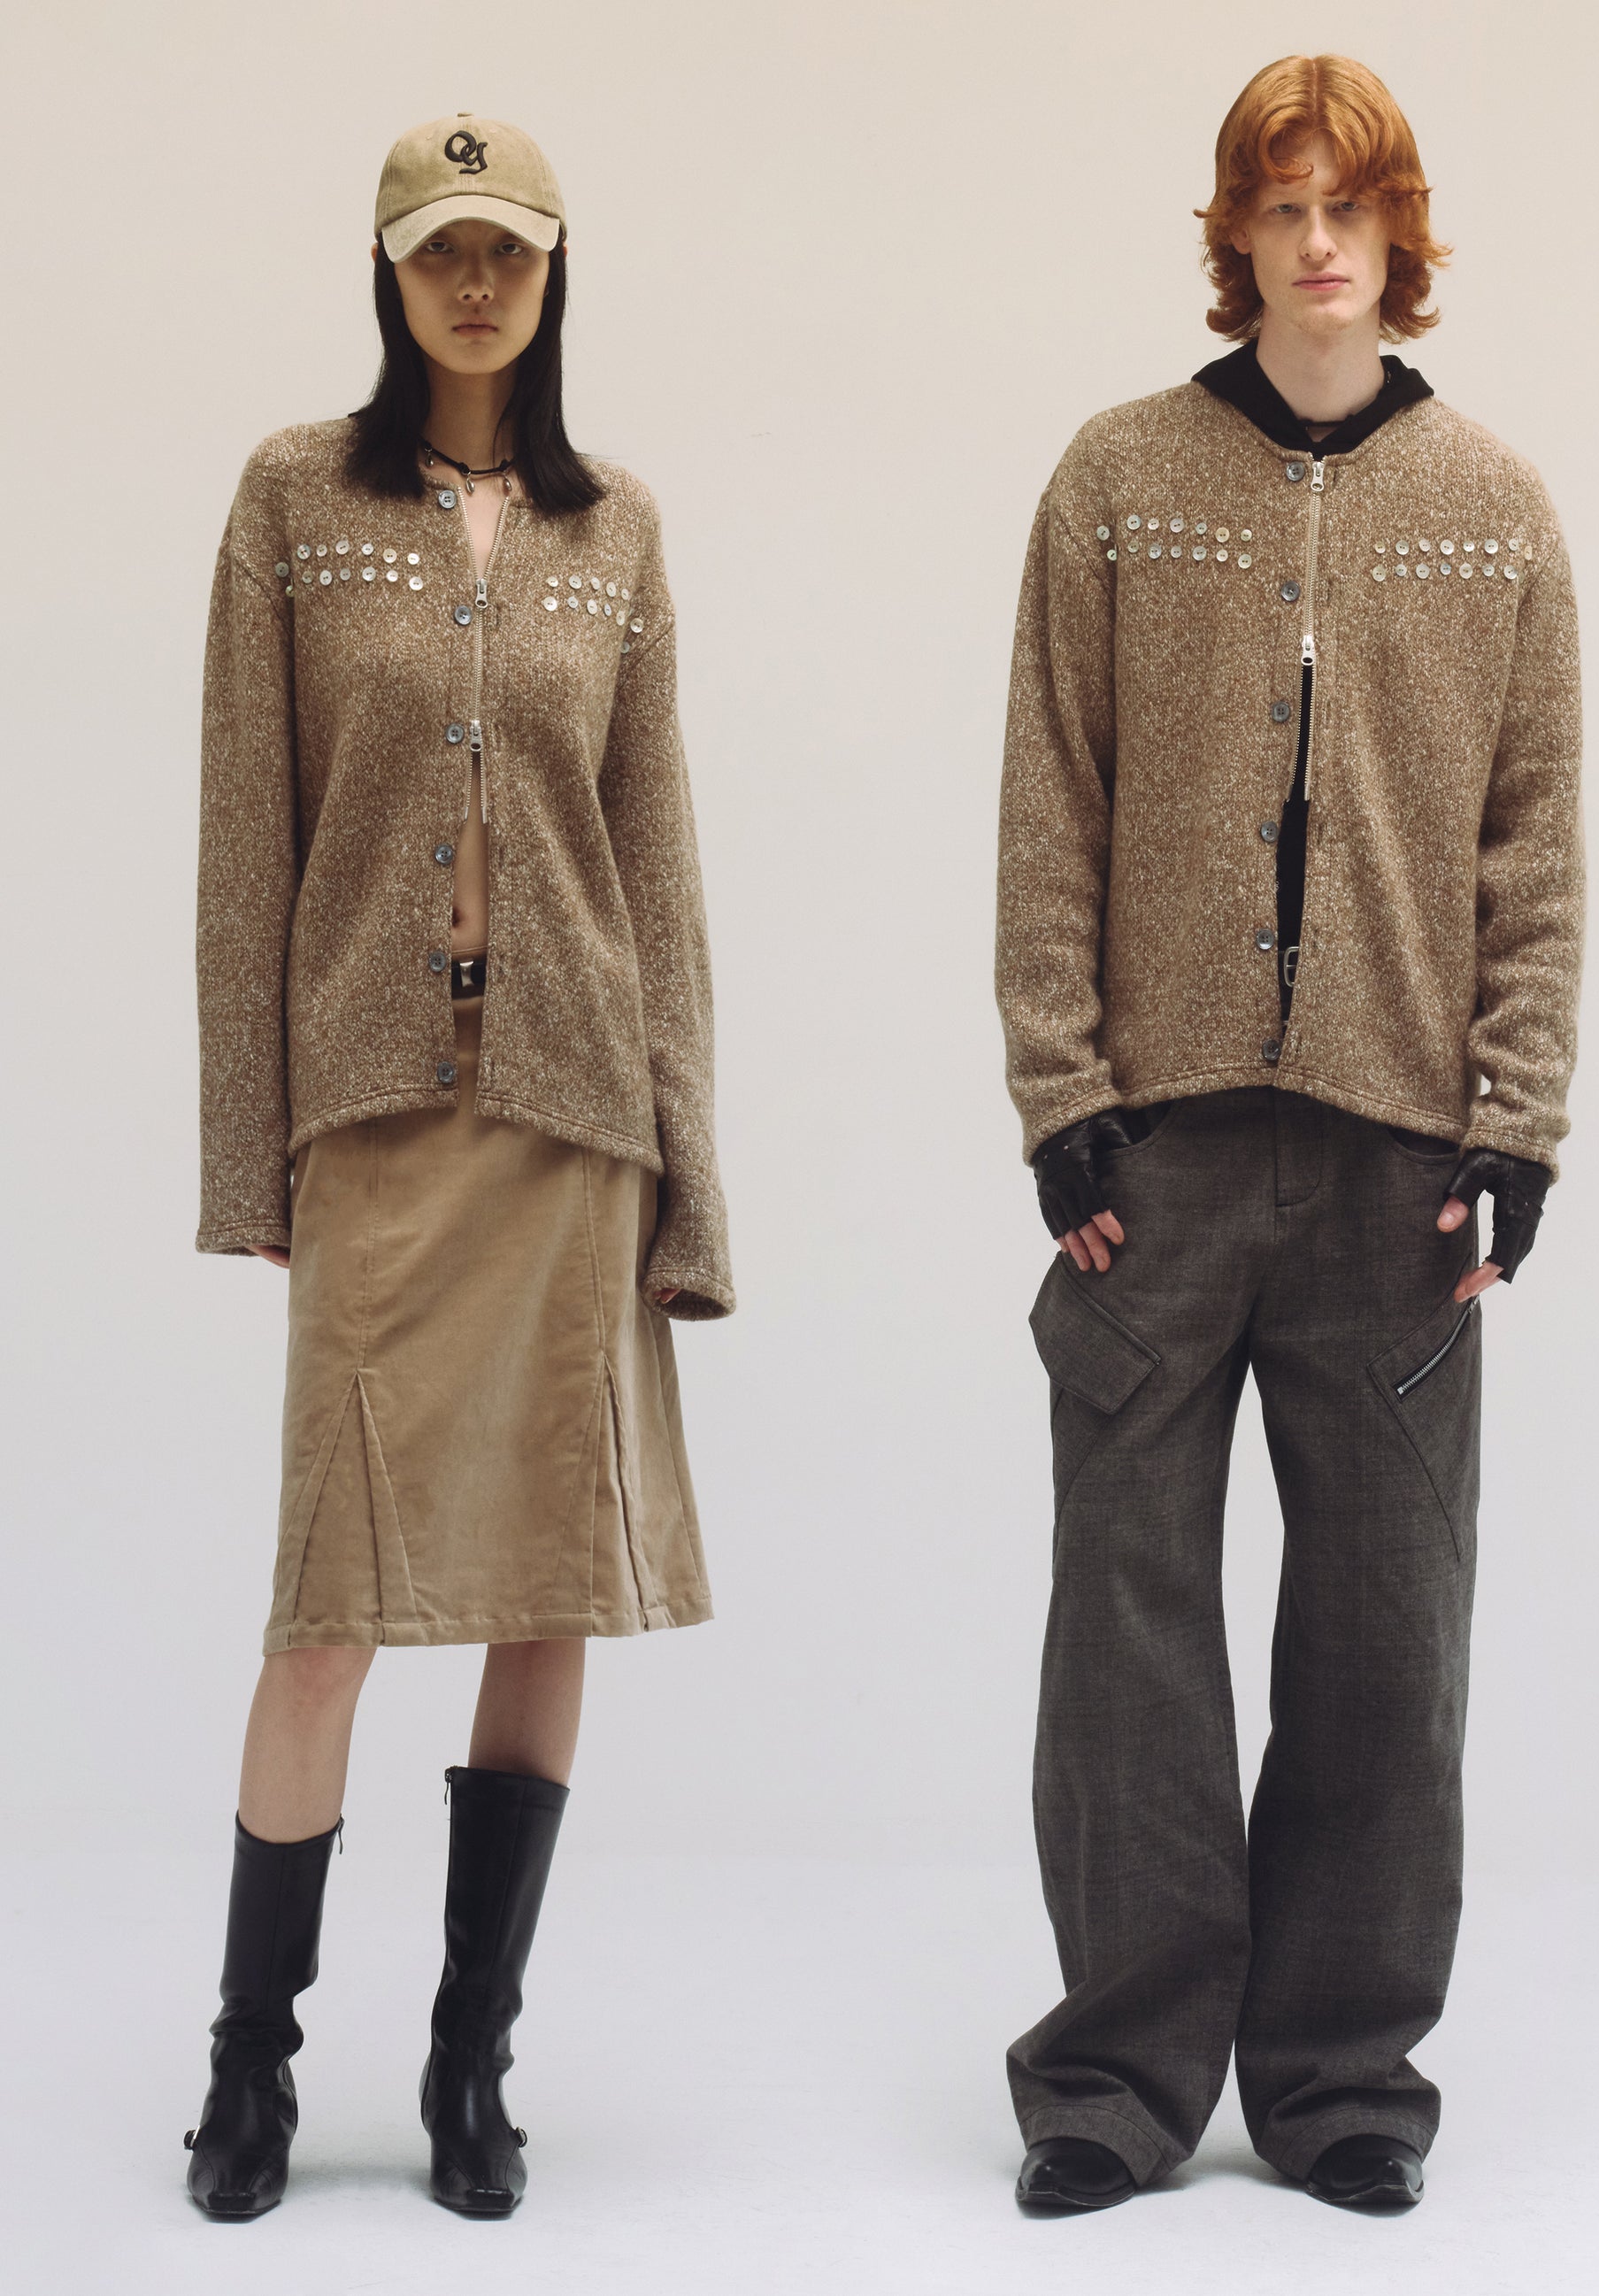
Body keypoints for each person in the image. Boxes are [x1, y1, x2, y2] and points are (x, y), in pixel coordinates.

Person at [995, 53, 1581, 2216]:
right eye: (1280, 204)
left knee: (1382, 1639)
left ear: (1396, 234)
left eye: (1352, 206)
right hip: (1155, 1159)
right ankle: (1116, 2077)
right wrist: (1063, 1097)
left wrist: (1516, 1117)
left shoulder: (1494, 508)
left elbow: (1534, 840)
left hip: (1397, 1167)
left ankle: (1339, 2073)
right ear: (1233, 232)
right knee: (1126, 1627)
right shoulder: (1117, 480)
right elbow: (1050, 796)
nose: (1317, 241)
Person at [183, 113, 733, 2220]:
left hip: (575, 1119)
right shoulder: (293, 501)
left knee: (541, 1595)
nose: (476, 283)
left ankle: (468, 2065)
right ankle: (250, 2066)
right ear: (390, 273)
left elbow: (657, 868)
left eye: (507, 249)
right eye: (441, 251)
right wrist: (251, 1156)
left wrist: (692, 1179)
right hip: (378, 1113)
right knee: (327, 1608)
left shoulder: (619, 527)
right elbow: (245, 845)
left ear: (555, 269)